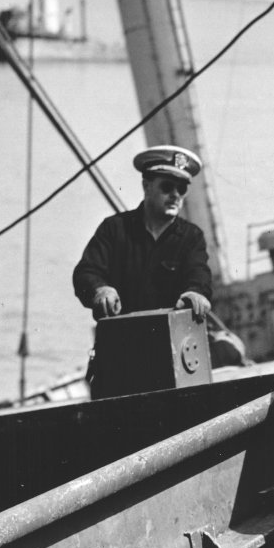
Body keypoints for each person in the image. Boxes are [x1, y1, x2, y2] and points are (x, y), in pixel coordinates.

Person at [72, 146, 217, 393]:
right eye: (167, 187)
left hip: (173, 359)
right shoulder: (114, 230)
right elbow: (86, 271)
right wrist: (100, 289)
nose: (175, 195)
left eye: (181, 189)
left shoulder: (191, 238)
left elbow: (199, 274)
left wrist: (195, 292)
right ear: (146, 185)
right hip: (120, 359)